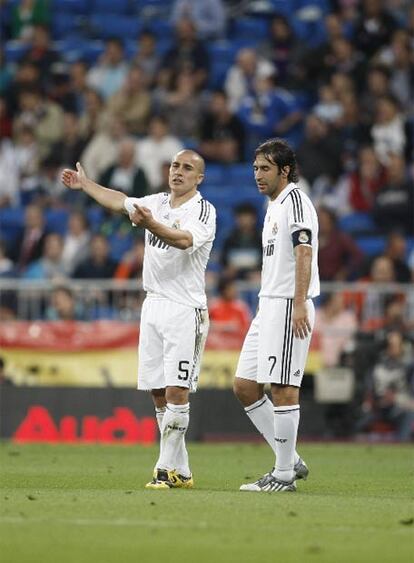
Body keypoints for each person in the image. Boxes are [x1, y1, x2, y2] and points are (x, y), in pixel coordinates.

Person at [61, 149, 216, 489]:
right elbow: (120, 201)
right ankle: (183, 469)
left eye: (187, 168)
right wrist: (86, 184)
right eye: (175, 165)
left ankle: (164, 469)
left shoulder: (203, 210)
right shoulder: (157, 201)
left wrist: (149, 224)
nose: (178, 172)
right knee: (158, 392)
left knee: (177, 391)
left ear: (199, 178)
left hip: (184, 308)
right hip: (154, 305)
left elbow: (183, 240)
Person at [233, 138, 320, 492]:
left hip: (288, 304)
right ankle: (291, 459)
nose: (258, 175)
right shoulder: (273, 206)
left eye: (265, 168)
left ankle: (283, 475)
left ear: (285, 170)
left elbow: (304, 250)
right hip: (267, 305)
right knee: (244, 385)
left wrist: (299, 302)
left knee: (284, 388)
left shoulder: (295, 201)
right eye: (255, 168)